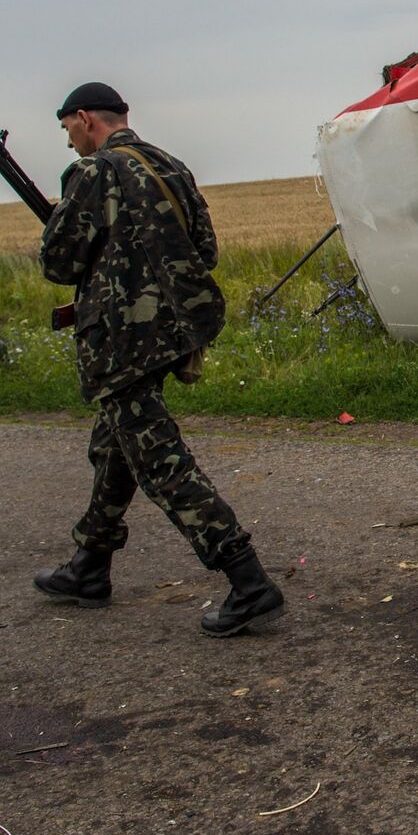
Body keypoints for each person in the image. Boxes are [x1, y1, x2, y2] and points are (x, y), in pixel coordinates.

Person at [30, 81, 284, 637]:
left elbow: (58, 262)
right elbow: (206, 249)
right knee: (117, 444)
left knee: (160, 461)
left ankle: (247, 580)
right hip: (174, 331)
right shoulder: (170, 166)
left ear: (83, 118)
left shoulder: (94, 174)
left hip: (121, 342)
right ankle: (89, 566)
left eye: (68, 128)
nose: (69, 140)